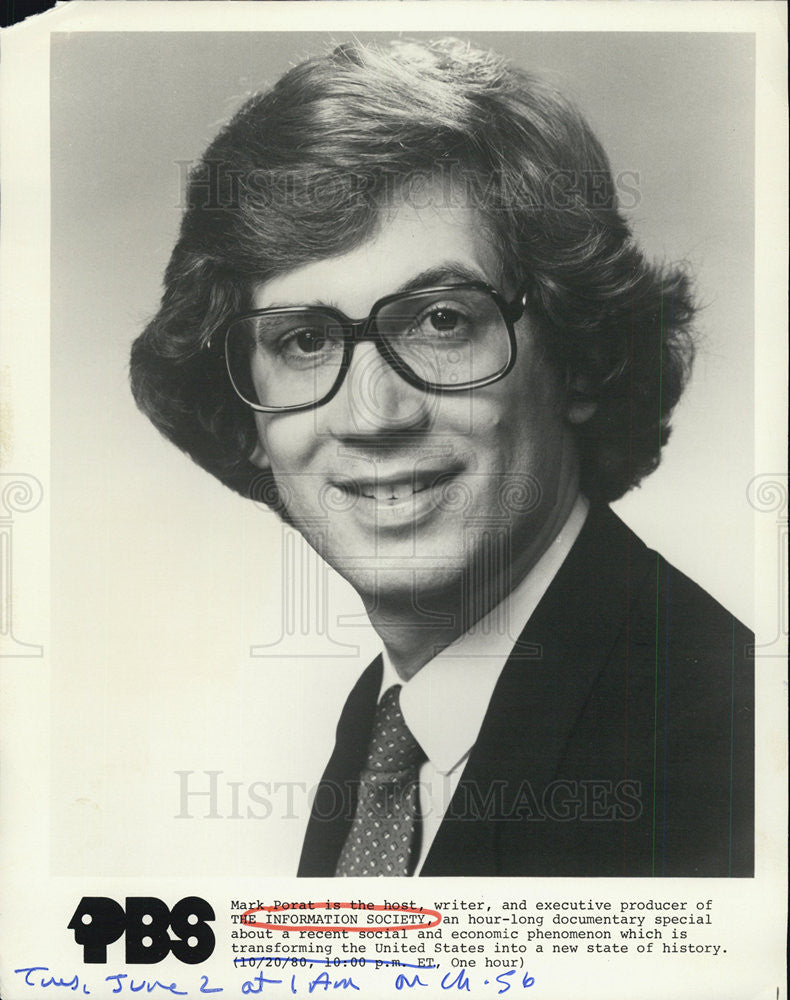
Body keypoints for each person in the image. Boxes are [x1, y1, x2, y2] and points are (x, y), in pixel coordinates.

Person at [129, 37, 753, 877]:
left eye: (441, 321)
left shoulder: (726, 742)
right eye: (306, 339)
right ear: (250, 419)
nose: (373, 414)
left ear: (578, 354)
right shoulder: (389, 730)